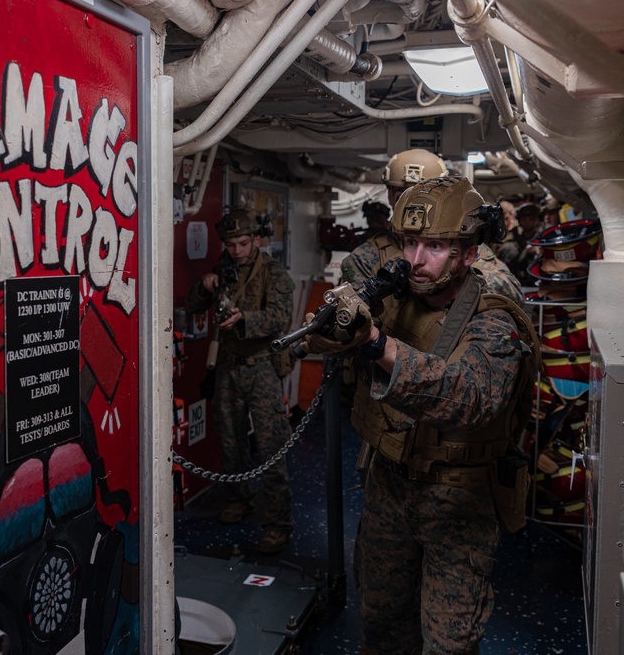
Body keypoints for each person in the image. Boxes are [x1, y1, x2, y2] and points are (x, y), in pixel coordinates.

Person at [307, 176, 533, 654]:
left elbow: (469, 397)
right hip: (388, 485)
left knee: (448, 643)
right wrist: (332, 330)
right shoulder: (394, 301)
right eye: (410, 242)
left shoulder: (495, 318)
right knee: (382, 622)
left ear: (468, 254)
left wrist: (373, 345)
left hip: (458, 498)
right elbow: (322, 341)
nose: (415, 259)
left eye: (435, 245)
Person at [185, 208, 297, 555]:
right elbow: (193, 306)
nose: (237, 250)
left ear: (258, 240)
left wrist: (243, 318)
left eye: (243, 243)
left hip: (261, 368)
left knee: (270, 446)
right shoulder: (224, 271)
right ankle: (241, 498)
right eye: (231, 244)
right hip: (228, 368)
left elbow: (279, 318)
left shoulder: (275, 274)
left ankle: (278, 522)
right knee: (230, 440)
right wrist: (204, 286)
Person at [342, 149, 522, 304]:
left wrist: (457, 277)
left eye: (429, 202)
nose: (416, 209)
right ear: (389, 196)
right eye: (403, 198)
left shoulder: (460, 245)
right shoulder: (367, 258)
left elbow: (511, 292)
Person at [497, 201, 543, 285]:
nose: (527, 222)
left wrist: (538, 250)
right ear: (519, 220)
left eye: (531, 219)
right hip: (517, 278)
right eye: (524, 219)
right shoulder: (514, 238)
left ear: (537, 220)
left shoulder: (542, 238)